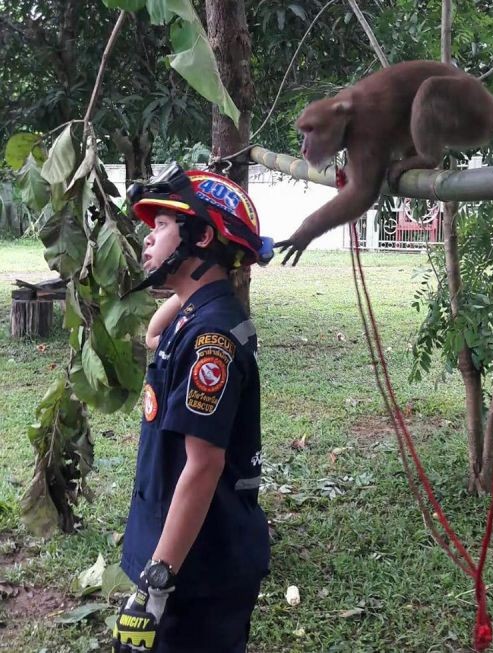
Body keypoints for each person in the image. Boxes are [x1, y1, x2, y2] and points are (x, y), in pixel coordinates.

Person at [112, 163, 274, 653]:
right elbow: (154, 335)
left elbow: (203, 467)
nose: (148, 239)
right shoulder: (195, 318)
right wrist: (190, 291)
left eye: (162, 227)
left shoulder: (212, 338)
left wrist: (152, 589)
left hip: (196, 572)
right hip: (181, 553)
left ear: (201, 237)